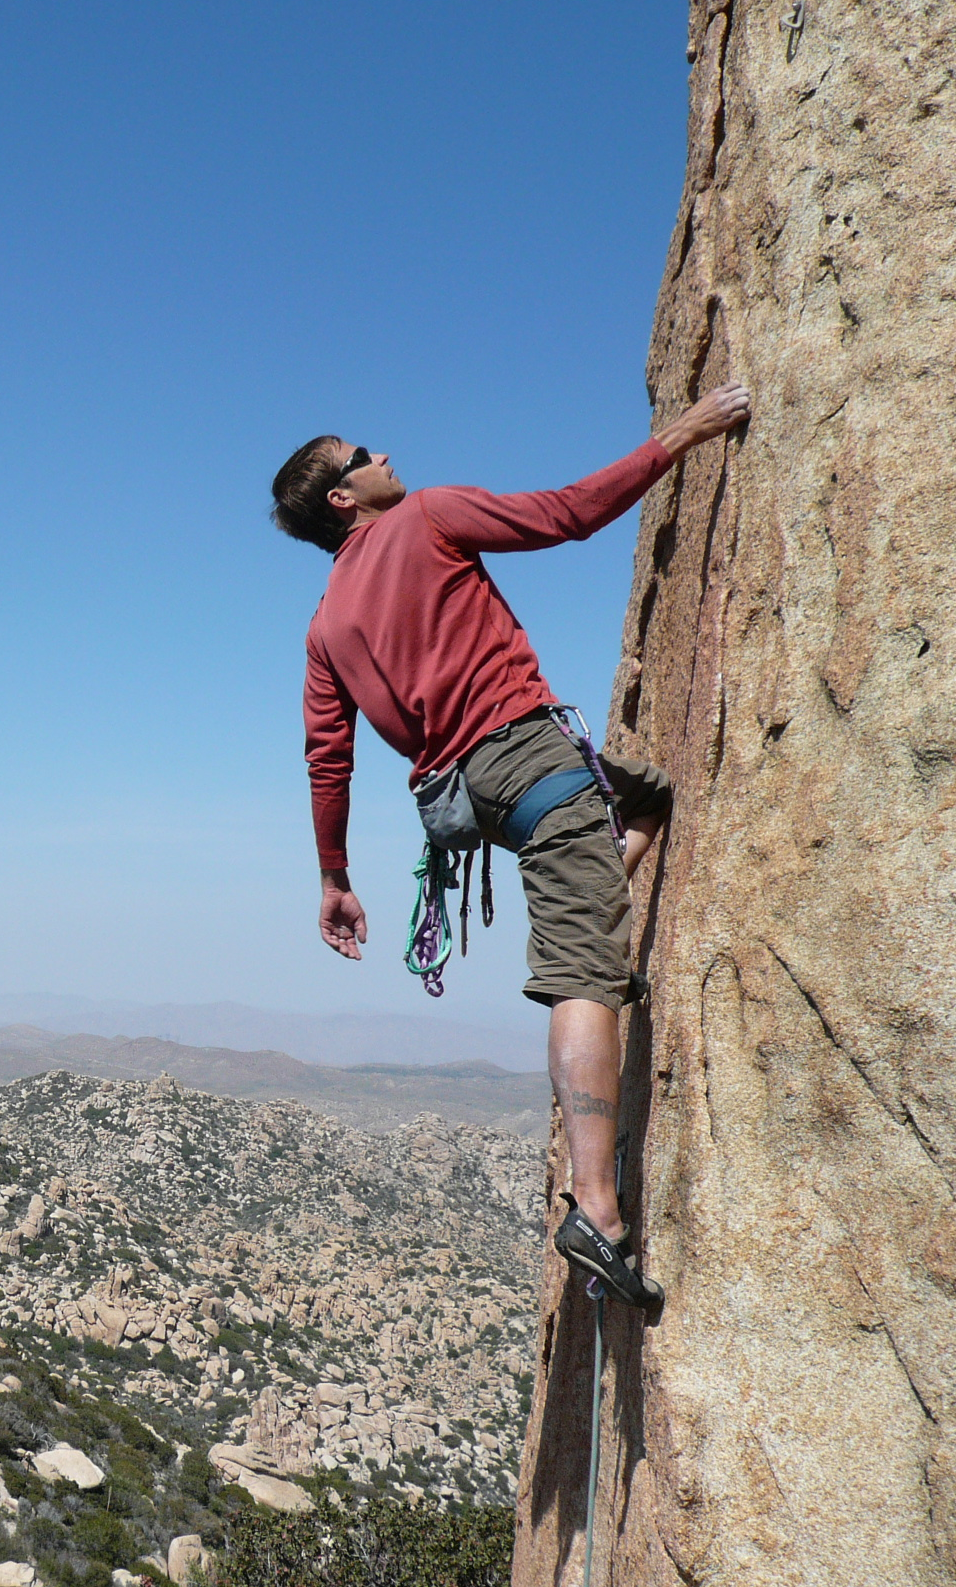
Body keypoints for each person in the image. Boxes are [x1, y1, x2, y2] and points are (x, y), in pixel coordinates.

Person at [269, 383, 750, 1308]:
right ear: (343, 496)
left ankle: (595, 914)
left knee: (647, 798)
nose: (381, 454)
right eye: (362, 451)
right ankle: (599, 1212)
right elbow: (567, 517)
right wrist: (682, 436)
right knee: (582, 976)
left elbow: (326, 759)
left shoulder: (326, 628)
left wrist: (334, 876)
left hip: (469, 800)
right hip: (528, 756)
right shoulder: (427, 515)